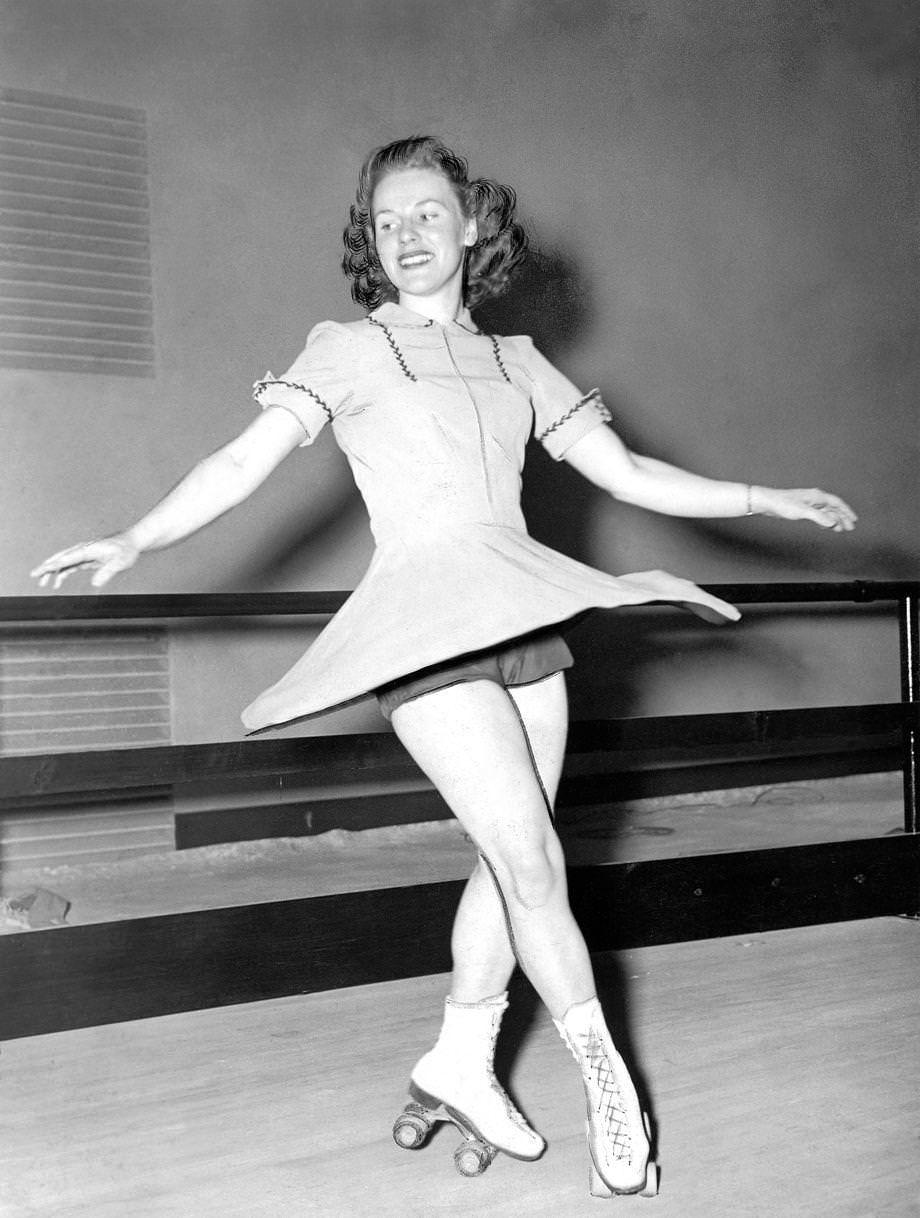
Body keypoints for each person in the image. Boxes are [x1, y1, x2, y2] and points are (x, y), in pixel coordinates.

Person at [32, 136, 856, 1198]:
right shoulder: (347, 348)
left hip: (520, 612)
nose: (406, 235)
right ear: (370, 243)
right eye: (386, 221)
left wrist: (763, 497)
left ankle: (459, 1058)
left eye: (426, 214)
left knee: (509, 860)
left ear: (472, 224)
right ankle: (609, 1080)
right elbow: (243, 459)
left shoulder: (517, 361)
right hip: (422, 628)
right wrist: (137, 538)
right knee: (532, 869)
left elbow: (626, 471)